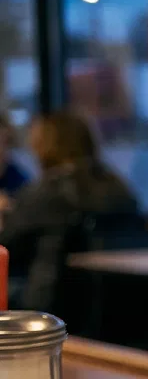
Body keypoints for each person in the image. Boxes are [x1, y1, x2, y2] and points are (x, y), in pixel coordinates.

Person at [0, 111, 140, 311]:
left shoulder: (48, 190)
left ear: (45, 146)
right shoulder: (117, 186)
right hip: (116, 305)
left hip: (46, 302)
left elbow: (6, 246)